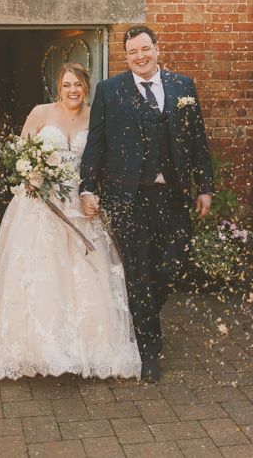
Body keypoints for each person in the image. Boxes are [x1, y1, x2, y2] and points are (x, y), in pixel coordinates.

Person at [0, 63, 140, 381]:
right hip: (41, 203)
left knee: (85, 270)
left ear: (87, 86)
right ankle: (38, 340)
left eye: (78, 84)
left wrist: (94, 191)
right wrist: (31, 175)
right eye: (67, 85)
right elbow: (20, 153)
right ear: (58, 87)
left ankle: (86, 340)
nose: (73, 90)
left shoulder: (96, 115)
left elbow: (103, 157)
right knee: (40, 269)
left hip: (79, 203)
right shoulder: (40, 112)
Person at [80, 26, 214, 383]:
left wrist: (205, 187)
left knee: (175, 263)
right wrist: (87, 187)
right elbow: (96, 144)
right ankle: (149, 350)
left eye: (145, 49)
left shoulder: (183, 86)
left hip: (172, 195)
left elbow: (198, 139)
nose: (139, 57)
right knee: (139, 271)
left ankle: (141, 314)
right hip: (128, 197)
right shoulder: (110, 91)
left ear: (157, 49)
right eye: (132, 52)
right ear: (126, 56)